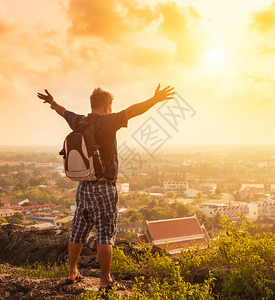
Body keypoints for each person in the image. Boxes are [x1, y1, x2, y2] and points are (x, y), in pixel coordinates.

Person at [37, 84, 174, 290]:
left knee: (77, 231)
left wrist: (52, 102)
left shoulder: (79, 121)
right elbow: (133, 110)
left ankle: (72, 272)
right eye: (111, 106)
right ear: (107, 106)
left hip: (83, 186)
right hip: (104, 187)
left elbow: (63, 112)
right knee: (104, 234)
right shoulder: (108, 122)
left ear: (92, 104)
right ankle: (105, 279)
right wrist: (154, 100)